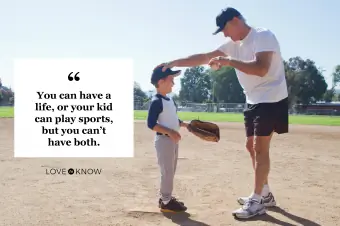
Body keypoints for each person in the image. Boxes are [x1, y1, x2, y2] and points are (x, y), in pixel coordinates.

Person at [156, 7, 289, 219]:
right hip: (253, 100)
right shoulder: (232, 45)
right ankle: (265, 194)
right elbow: (204, 57)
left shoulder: (263, 36)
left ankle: (257, 201)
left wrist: (228, 62)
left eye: (225, 29)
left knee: (260, 147)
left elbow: (261, 68)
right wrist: (173, 63)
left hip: (272, 97)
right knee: (250, 147)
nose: (225, 35)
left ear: (236, 20)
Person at [147, 66, 189, 213]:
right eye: (171, 80)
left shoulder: (169, 100)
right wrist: (170, 132)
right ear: (161, 81)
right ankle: (166, 201)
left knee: (171, 171)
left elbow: (172, 118)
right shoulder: (156, 101)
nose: (173, 83)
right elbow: (151, 124)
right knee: (167, 171)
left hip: (172, 140)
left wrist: (183, 124)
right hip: (164, 140)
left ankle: (166, 197)